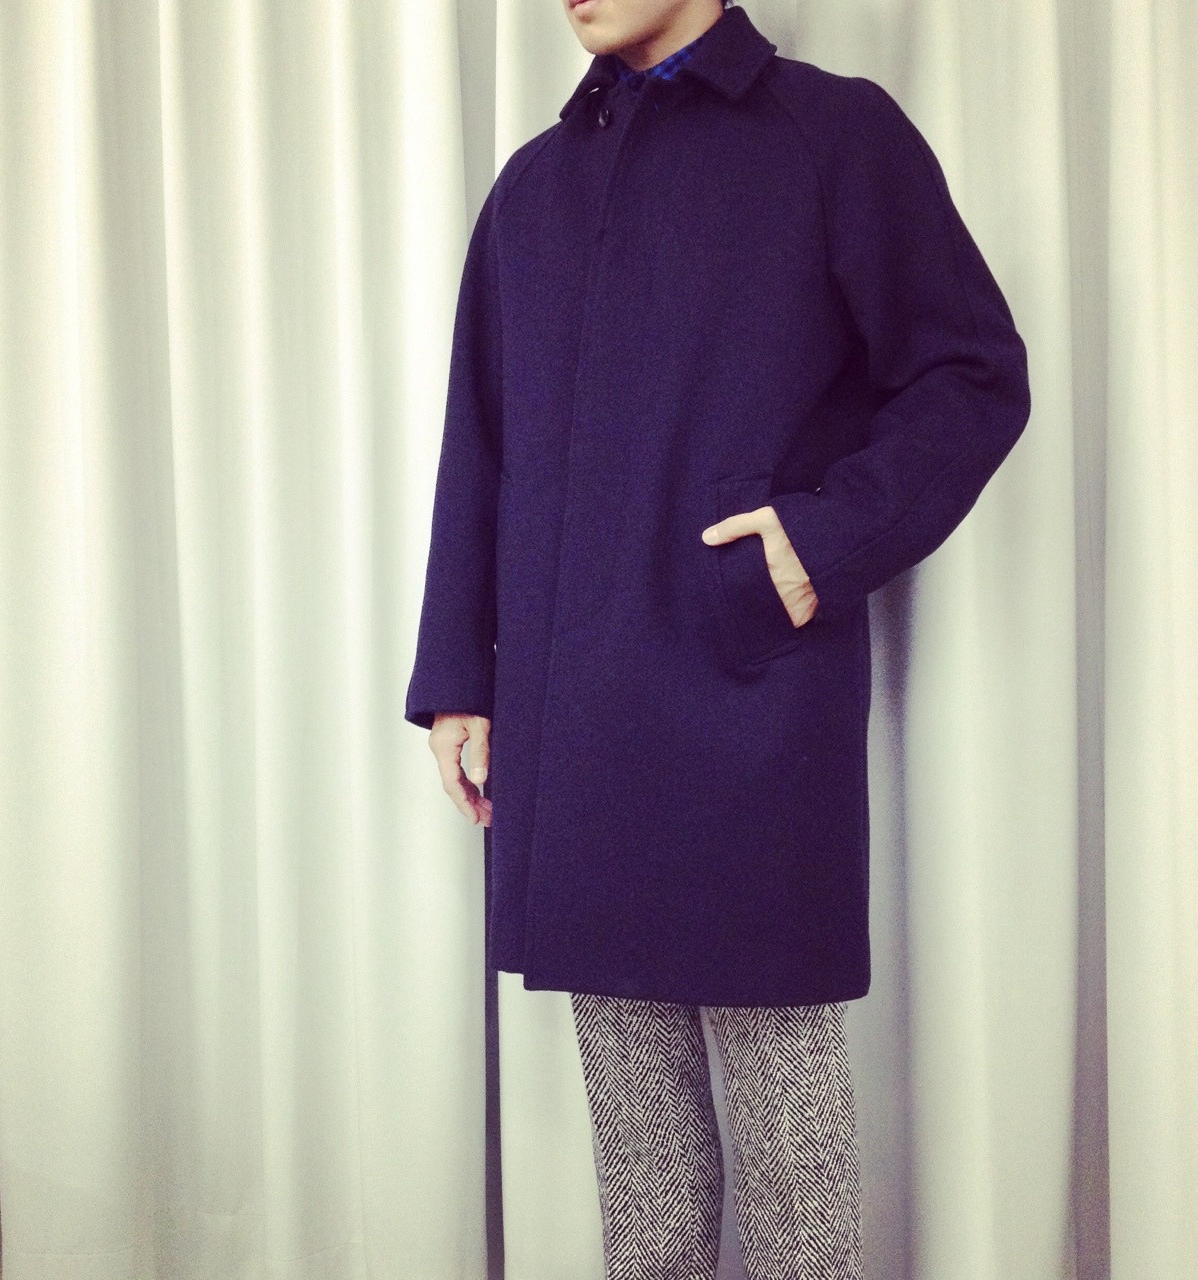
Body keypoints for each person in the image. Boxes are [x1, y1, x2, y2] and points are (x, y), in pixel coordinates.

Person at [405, 1, 1030, 1276]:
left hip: (744, 700)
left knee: (789, 1147)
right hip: (573, 714)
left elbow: (969, 371)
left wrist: (815, 541)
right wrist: (460, 674)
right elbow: (481, 438)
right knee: (643, 1169)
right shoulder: (534, 186)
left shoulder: (831, 135)